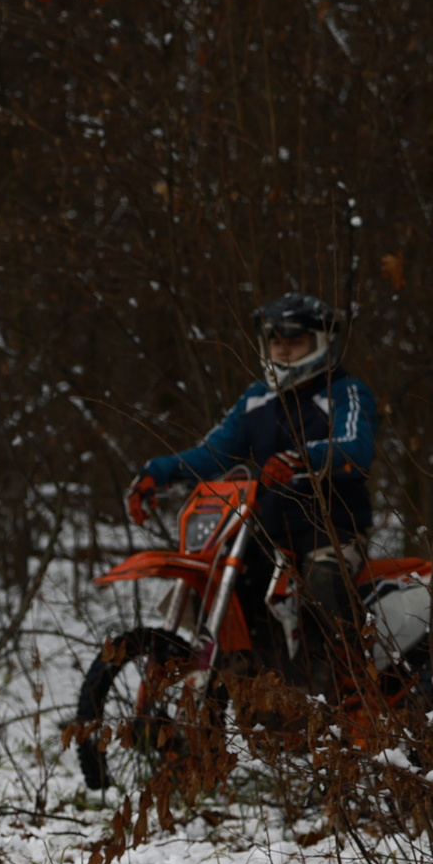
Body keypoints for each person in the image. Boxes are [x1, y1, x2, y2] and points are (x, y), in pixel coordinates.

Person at [124, 294, 377, 689]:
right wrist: (157, 472)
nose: (283, 350)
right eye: (276, 342)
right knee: (224, 586)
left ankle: (357, 688)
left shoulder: (344, 392)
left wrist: (302, 458)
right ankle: (258, 686)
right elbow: (212, 452)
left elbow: (356, 447)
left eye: (294, 342)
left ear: (321, 343)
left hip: (330, 525)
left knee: (323, 585)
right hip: (263, 527)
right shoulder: (257, 398)